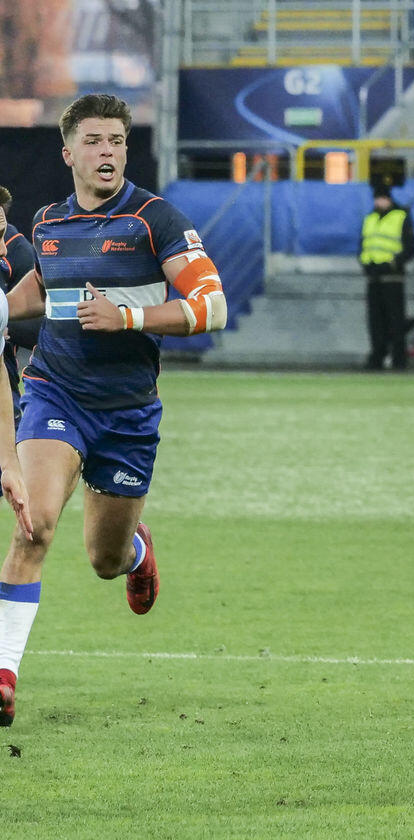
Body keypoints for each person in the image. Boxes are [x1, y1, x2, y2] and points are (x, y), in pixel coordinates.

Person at [0, 93, 229, 728]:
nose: (108, 152)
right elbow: (36, 292)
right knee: (34, 525)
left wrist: (128, 317)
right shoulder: (48, 223)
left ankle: (135, 553)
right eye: (95, 141)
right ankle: (4, 675)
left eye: (118, 142)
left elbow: (212, 307)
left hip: (127, 412)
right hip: (55, 393)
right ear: (67, 153)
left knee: (104, 560)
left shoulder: (154, 220)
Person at [359, 181, 414, 370]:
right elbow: (364, 245)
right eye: (377, 199)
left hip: (393, 278)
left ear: (389, 199)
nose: (379, 202)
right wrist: (366, 264)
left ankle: (399, 359)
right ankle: (377, 356)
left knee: (395, 321)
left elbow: (411, 247)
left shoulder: (401, 217)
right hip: (374, 277)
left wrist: (393, 264)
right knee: (375, 322)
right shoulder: (370, 218)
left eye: (382, 198)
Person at [0, 185, 42, 422]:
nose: (2, 249)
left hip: (3, 389)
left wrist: (5, 321)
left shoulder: (15, 247)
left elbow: (41, 325)